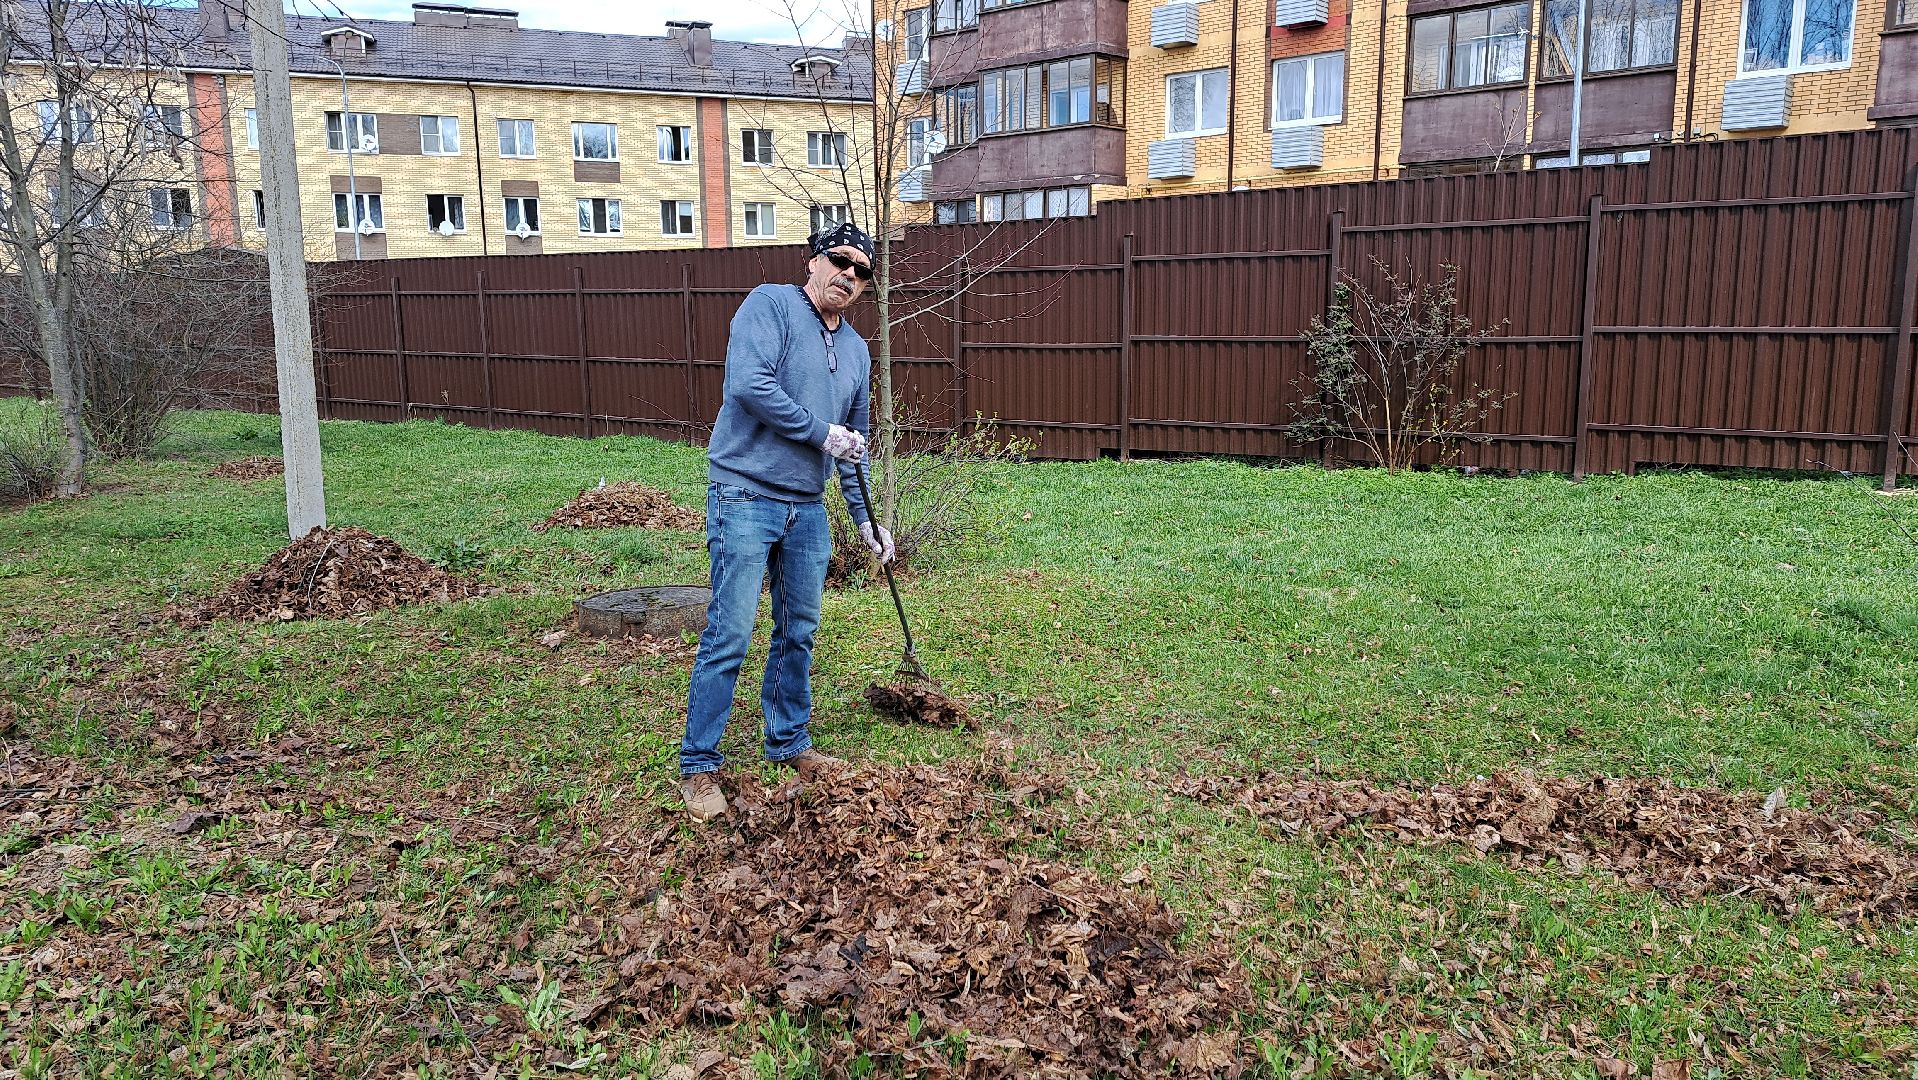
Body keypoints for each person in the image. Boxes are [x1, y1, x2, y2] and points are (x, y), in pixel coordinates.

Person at [678, 221, 896, 821]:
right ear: (814, 261)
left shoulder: (856, 350)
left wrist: (865, 520)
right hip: (745, 495)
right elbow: (749, 386)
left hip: (807, 510)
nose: (849, 275)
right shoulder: (770, 304)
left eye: (861, 271)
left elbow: (851, 444)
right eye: (840, 260)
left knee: (797, 631)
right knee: (730, 633)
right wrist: (818, 431)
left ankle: (789, 742)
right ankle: (699, 765)